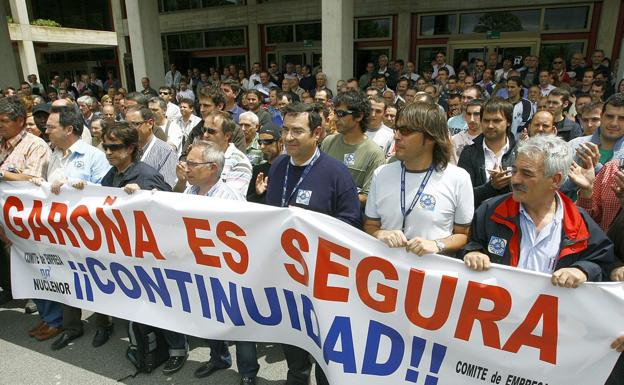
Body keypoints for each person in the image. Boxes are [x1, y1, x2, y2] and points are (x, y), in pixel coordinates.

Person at [265, 103, 361, 385]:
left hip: (321, 278)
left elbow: (351, 223)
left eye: (298, 131)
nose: (289, 137)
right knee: (292, 345)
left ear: (317, 133)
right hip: (284, 275)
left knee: (322, 351)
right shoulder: (279, 165)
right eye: (286, 130)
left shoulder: (336, 173)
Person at [458, 135, 613, 286]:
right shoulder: (490, 211)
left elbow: (602, 263)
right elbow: (473, 244)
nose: (515, 180)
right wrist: (473, 253)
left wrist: (582, 270)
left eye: (527, 174)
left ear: (555, 180)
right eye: (514, 170)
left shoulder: (579, 222)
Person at [181, 140, 259, 384]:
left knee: (240, 324)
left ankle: (247, 372)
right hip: (200, 268)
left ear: (212, 167)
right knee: (208, 316)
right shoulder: (189, 191)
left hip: (231, 273)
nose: (186, 168)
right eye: (187, 162)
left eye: (193, 164)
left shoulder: (230, 199)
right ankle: (218, 357)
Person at [365, 101, 474, 256]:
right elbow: (370, 225)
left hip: (429, 275)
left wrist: (437, 244)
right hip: (387, 273)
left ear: (430, 137)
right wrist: (380, 234)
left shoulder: (458, 179)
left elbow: (464, 235)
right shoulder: (381, 174)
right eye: (397, 129)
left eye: (406, 131)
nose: (396, 136)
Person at [321, 91, 385, 206]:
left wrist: (333, 195)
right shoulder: (328, 141)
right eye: (335, 112)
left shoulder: (375, 154)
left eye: (341, 114)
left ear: (359, 116)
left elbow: (368, 198)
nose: (335, 118)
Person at [458, 98, 516, 208]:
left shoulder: (521, 152)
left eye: (496, 121)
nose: (490, 125)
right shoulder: (469, 153)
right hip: (480, 220)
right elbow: (462, 196)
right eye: (486, 120)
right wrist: (491, 187)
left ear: (508, 122)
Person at [125, 106, 178, 188]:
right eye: (126, 125)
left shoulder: (166, 152)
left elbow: (166, 187)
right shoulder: (124, 149)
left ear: (150, 123)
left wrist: (141, 188)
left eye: (135, 124)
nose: (129, 129)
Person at [247, 123, 283, 204]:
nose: (262, 146)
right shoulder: (257, 170)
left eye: (267, 142)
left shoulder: (290, 168)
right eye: (260, 142)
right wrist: (258, 193)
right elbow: (248, 201)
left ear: (281, 142)